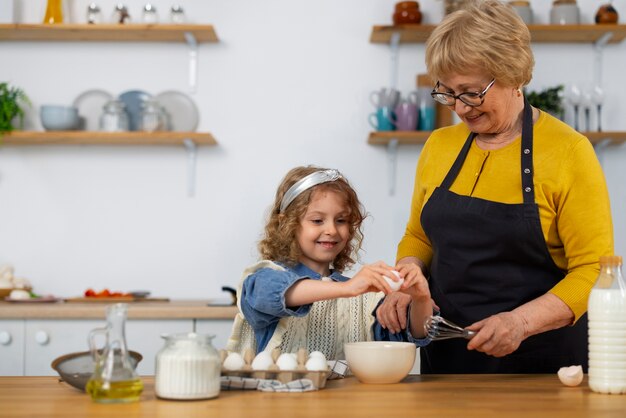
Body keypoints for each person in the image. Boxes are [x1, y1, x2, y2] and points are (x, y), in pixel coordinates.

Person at [375, 0, 613, 373]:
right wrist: (407, 278)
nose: (460, 107)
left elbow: (593, 272)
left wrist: (519, 323)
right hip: (448, 361)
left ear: (513, 75)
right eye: (448, 92)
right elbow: (419, 236)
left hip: (543, 367)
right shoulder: (439, 146)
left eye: (471, 92)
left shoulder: (568, 152)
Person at [226, 166, 432, 359]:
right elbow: (274, 293)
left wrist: (420, 299)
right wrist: (347, 288)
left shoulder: (361, 299)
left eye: (341, 220)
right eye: (317, 220)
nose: (332, 230)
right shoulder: (264, 277)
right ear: (286, 224)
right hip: (277, 398)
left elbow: (411, 334)